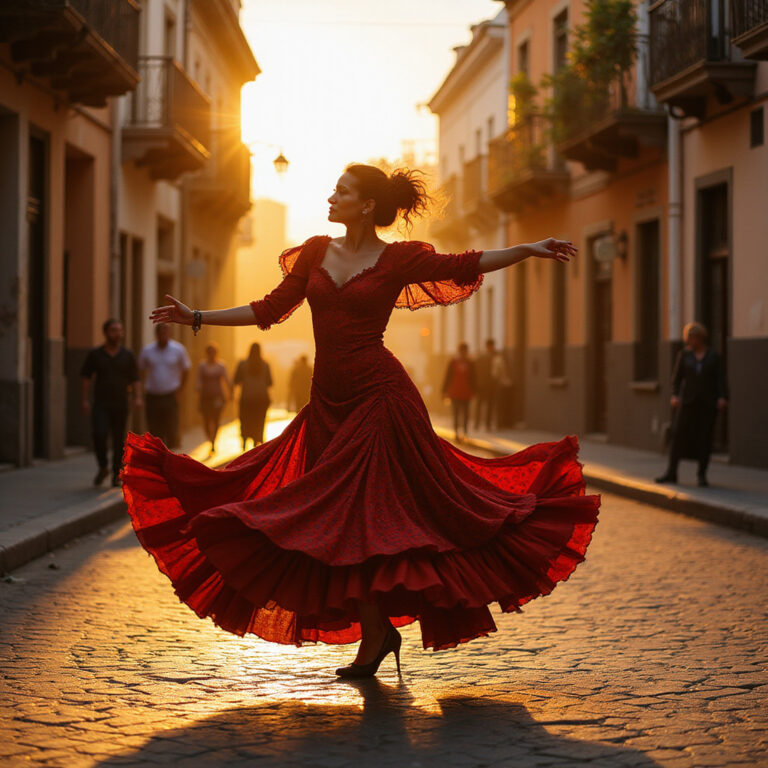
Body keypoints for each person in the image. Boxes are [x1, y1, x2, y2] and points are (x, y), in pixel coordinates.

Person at [121, 163, 598, 679]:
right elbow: (269, 308)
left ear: (367, 205)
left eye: (342, 191)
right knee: (343, 527)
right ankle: (378, 631)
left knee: (371, 518)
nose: (331, 196)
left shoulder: (399, 259)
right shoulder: (315, 252)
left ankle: (376, 635)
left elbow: (466, 261)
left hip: (380, 400)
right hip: (328, 403)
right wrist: (197, 317)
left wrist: (527, 249)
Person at [656, 322, 727, 488]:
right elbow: (677, 378)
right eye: (687, 338)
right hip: (687, 402)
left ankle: (702, 475)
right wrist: (675, 395)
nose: (688, 341)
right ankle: (671, 472)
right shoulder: (685, 355)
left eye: (691, 338)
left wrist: (722, 397)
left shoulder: (713, 357)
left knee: (705, 438)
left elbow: (720, 379)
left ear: (699, 338)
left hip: (707, 404)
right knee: (678, 436)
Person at [80, 319, 141, 487]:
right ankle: (103, 466)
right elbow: (86, 377)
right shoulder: (96, 354)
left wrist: (137, 397)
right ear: (106, 332)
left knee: (118, 439)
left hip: (121, 403)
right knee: (99, 434)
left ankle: (116, 473)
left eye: (120, 330)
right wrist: (84, 400)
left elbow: (135, 379)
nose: (118, 333)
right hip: (101, 403)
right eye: (114, 330)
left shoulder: (127, 355)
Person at [138, 323, 191, 448]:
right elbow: (140, 371)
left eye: (166, 332)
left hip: (170, 395)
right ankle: (158, 460)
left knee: (171, 428)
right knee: (155, 430)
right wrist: (140, 392)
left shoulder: (178, 349)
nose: (163, 335)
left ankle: (171, 458)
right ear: (156, 334)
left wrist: (180, 390)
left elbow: (186, 369)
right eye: (161, 333)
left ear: (170, 333)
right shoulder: (147, 350)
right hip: (152, 395)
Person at [234, 342, 273, 450]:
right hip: (261, 398)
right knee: (259, 421)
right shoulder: (265, 365)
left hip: (246, 398)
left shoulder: (242, 364)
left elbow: (236, 380)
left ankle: (245, 440)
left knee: (246, 420)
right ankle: (257, 440)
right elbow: (270, 382)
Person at [195, 343, 232, 456]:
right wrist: (198, 389)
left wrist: (230, 391)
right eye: (209, 353)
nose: (211, 355)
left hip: (217, 397)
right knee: (206, 419)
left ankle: (213, 441)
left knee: (216, 419)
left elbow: (226, 379)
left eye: (213, 352)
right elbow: (198, 379)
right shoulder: (202, 366)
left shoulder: (221, 366)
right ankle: (209, 437)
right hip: (206, 397)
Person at [442, 342, 475, 442]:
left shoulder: (470, 363)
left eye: (465, 351)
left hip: (466, 392)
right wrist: (444, 390)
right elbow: (447, 377)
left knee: (465, 414)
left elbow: (474, 378)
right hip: (454, 392)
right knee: (456, 413)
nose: (464, 353)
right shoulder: (453, 362)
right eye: (462, 351)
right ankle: (456, 433)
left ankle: (465, 432)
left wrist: (474, 390)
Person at [474, 338, 501, 431]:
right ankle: (477, 424)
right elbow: (476, 371)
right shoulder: (482, 358)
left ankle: (486, 425)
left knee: (489, 405)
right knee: (481, 404)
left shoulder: (495, 357)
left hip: (491, 385)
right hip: (483, 384)